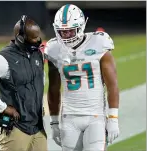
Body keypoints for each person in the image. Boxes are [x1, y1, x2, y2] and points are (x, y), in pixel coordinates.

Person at [44, 4, 119, 151]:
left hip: (95, 117)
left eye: (70, 31)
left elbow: (112, 85)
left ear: (81, 26)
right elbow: (53, 89)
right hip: (69, 118)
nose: (66, 35)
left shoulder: (99, 43)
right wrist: (53, 123)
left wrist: (113, 118)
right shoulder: (54, 49)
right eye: (62, 32)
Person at [0, 15, 47, 151]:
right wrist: (2, 108)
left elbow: (39, 80)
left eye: (37, 37)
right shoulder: (3, 58)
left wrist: (38, 104)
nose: (37, 41)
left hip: (37, 128)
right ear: (20, 38)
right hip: (16, 129)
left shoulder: (38, 54)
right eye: (33, 38)